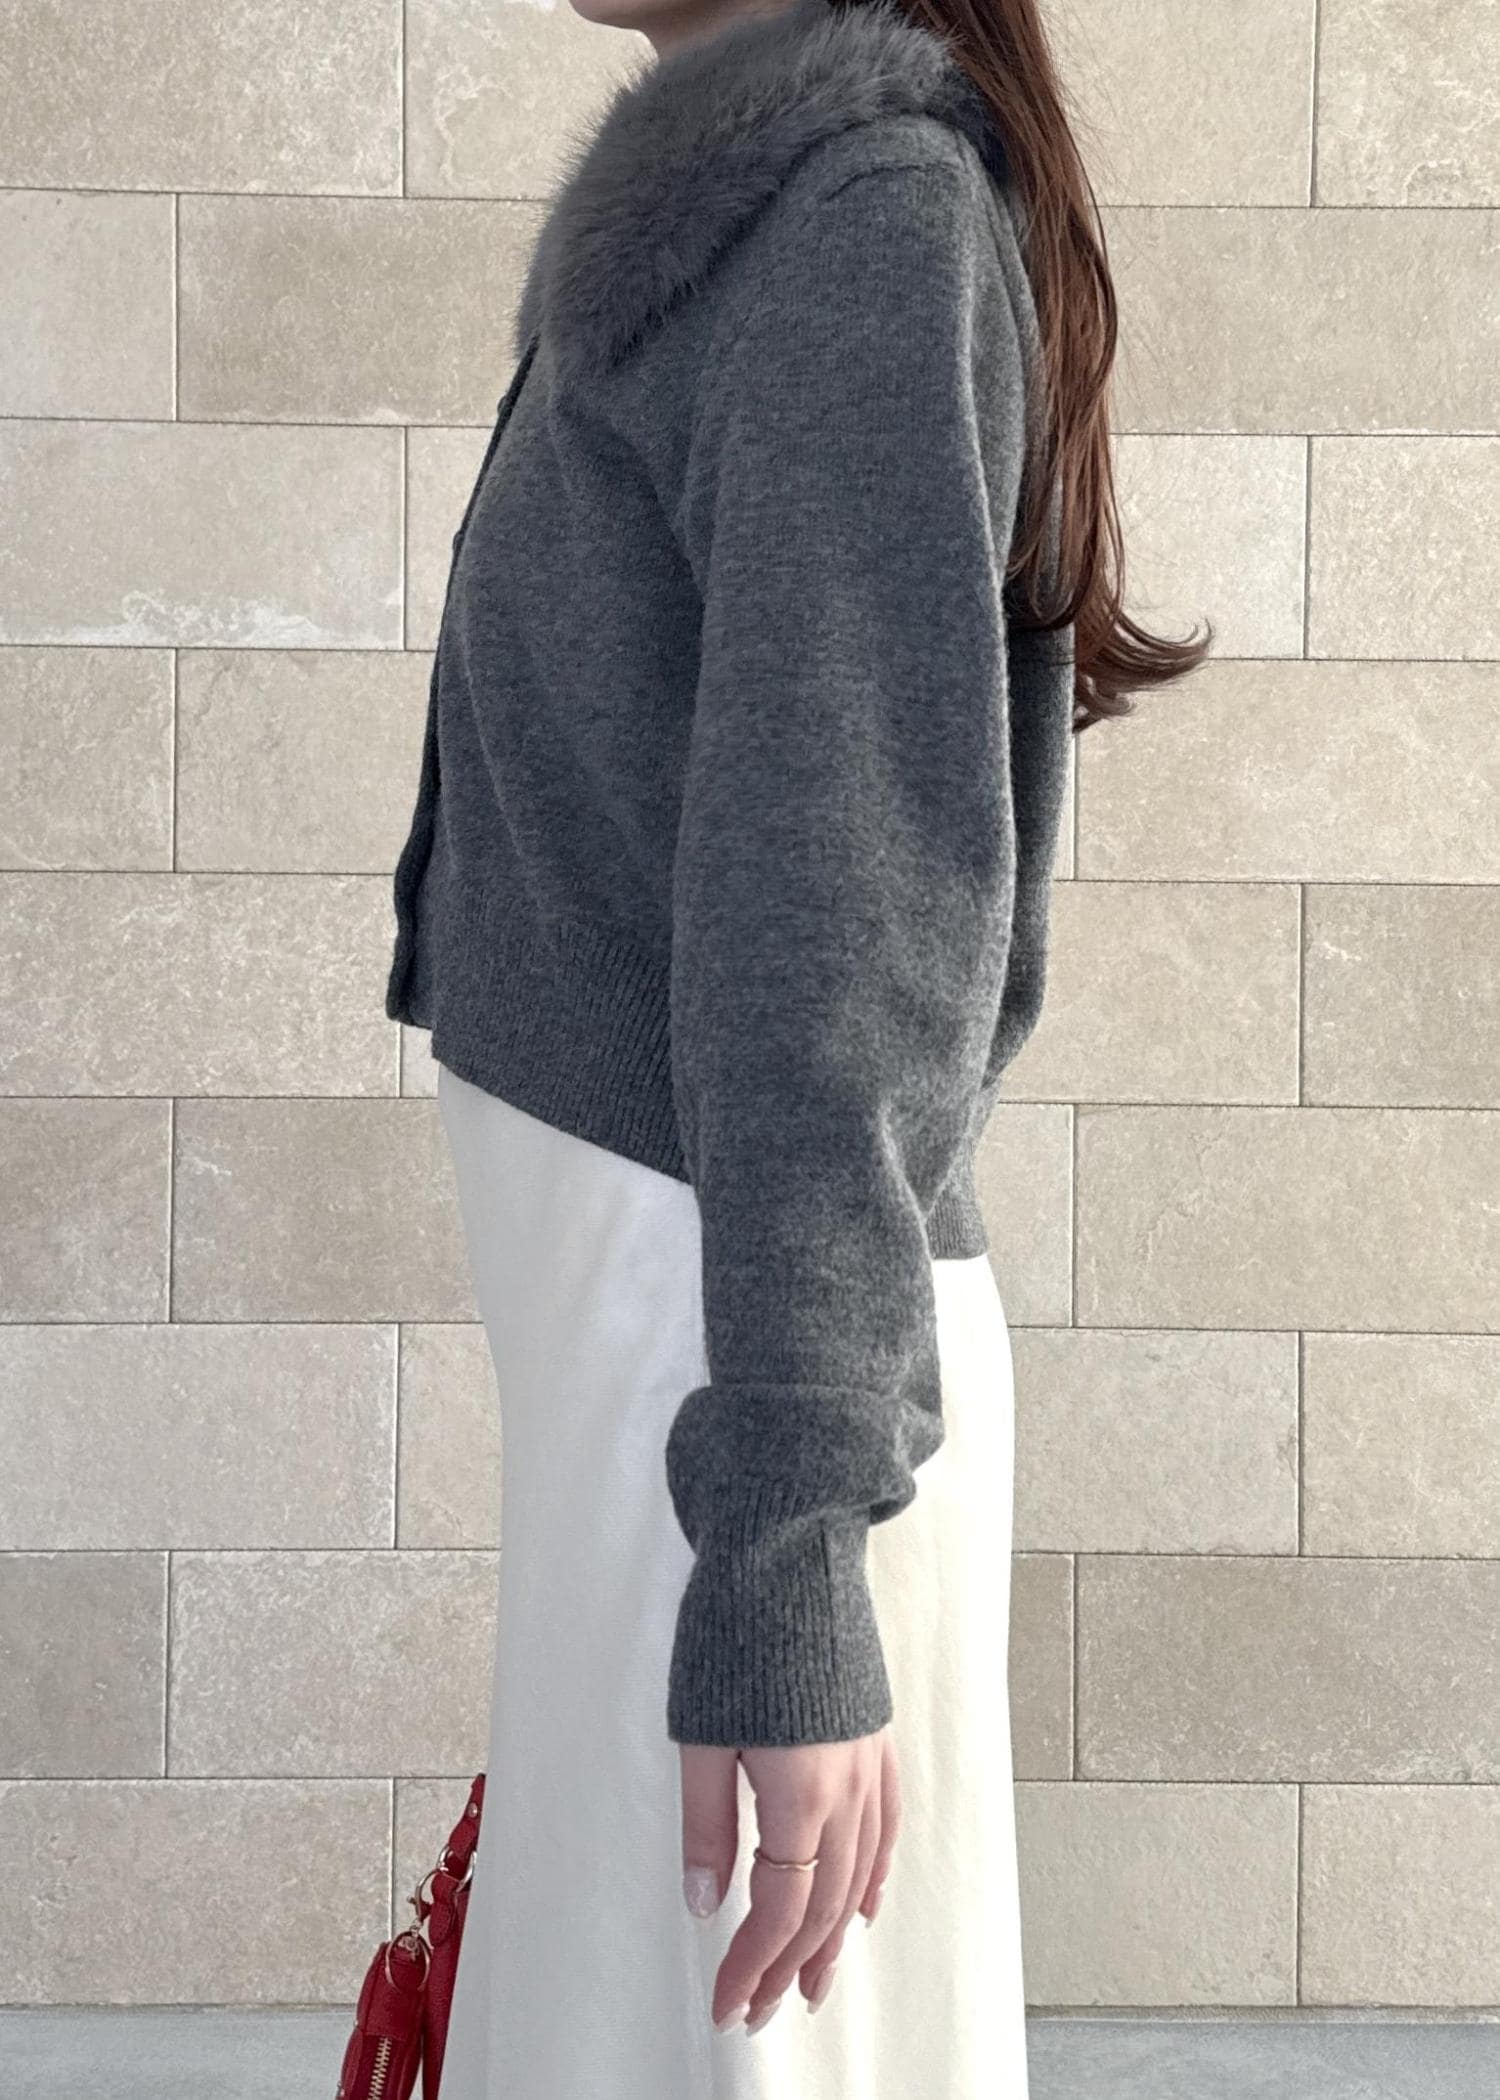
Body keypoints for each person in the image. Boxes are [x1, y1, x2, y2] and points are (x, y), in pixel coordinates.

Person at [383, 0, 1207, 2089]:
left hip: (744, 1363)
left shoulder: (857, 223)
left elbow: (844, 919)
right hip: (683, 1339)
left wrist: (783, 1557)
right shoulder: (747, 211)